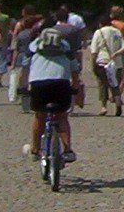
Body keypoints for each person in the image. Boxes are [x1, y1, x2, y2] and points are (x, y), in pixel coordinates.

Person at [23, 20, 76, 163]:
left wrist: (23, 86)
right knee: (62, 116)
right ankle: (67, 150)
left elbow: (25, 65)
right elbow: (75, 67)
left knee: (39, 116)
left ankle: (34, 150)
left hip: (39, 84)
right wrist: (75, 86)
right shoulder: (64, 45)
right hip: (61, 83)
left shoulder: (34, 45)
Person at [89, 14, 124, 116]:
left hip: (103, 62)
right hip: (117, 63)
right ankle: (118, 102)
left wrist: (93, 65)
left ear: (100, 23)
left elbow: (94, 51)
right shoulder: (117, 32)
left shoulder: (99, 32)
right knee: (115, 84)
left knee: (102, 85)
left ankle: (104, 106)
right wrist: (116, 53)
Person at [53, 6, 85, 109]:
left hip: (56, 58)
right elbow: (77, 46)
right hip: (71, 57)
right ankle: (70, 104)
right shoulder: (74, 30)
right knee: (71, 80)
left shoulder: (52, 30)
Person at [109, 6, 124, 95]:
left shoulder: (108, 24)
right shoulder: (123, 26)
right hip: (122, 51)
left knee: (110, 74)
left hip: (110, 51)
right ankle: (118, 95)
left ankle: (113, 94)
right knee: (121, 76)